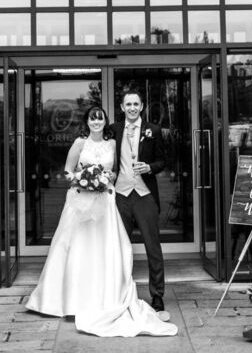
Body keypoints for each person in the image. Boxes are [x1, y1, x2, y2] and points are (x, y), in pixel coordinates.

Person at [25, 105, 177, 337]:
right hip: (80, 202)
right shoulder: (79, 143)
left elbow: (115, 171)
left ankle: (108, 295)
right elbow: (67, 170)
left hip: (105, 201)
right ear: (86, 121)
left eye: (100, 119)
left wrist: (104, 179)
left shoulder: (113, 143)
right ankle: (69, 299)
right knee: (78, 248)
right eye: (92, 119)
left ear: (105, 121)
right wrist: (81, 180)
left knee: (104, 248)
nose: (96, 122)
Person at [111, 90, 169, 319]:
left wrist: (150, 168)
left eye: (136, 103)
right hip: (120, 195)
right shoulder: (113, 130)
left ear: (142, 106)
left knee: (152, 246)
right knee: (120, 247)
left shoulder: (153, 130)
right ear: (123, 107)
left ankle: (157, 294)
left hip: (144, 195)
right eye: (129, 104)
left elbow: (163, 161)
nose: (133, 107)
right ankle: (121, 293)